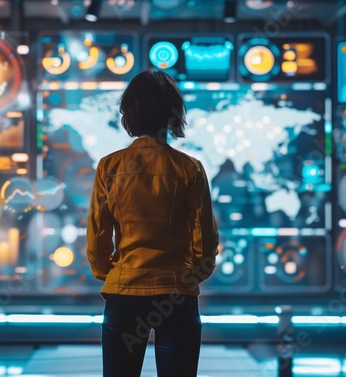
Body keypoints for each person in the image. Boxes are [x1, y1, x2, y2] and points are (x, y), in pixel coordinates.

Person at [86, 69, 219, 377]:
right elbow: (206, 242)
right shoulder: (190, 169)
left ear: (128, 115)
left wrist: (114, 274)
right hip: (177, 296)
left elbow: (97, 238)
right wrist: (190, 277)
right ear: (171, 115)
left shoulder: (109, 166)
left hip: (124, 293)